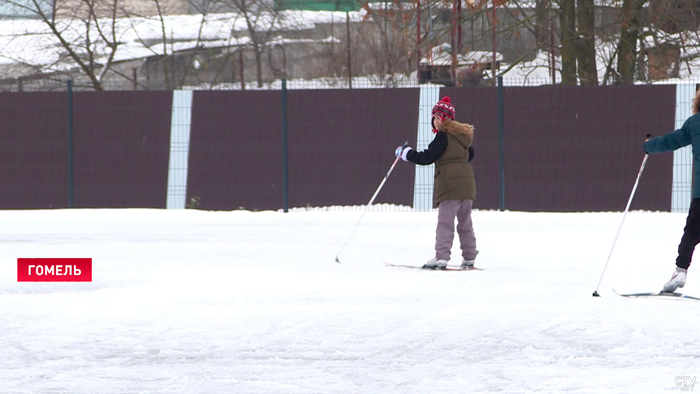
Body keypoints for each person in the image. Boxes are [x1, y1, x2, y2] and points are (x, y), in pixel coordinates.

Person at [395, 96, 478, 270]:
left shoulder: (443, 137)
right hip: (468, 186)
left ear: (440, 119)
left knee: (445, 222)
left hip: (450, 186)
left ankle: (441, 257)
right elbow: (471, 154)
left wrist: (406, 154)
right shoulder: (462, 138)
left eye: (435, 118)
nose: (433, 121)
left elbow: (427, 157)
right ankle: (469, 256)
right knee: (465, 222)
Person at [643, 88, 700, 292]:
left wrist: (649, 146)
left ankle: (680, 272)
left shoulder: (695, 123)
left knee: (692, 233)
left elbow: (671, 140)